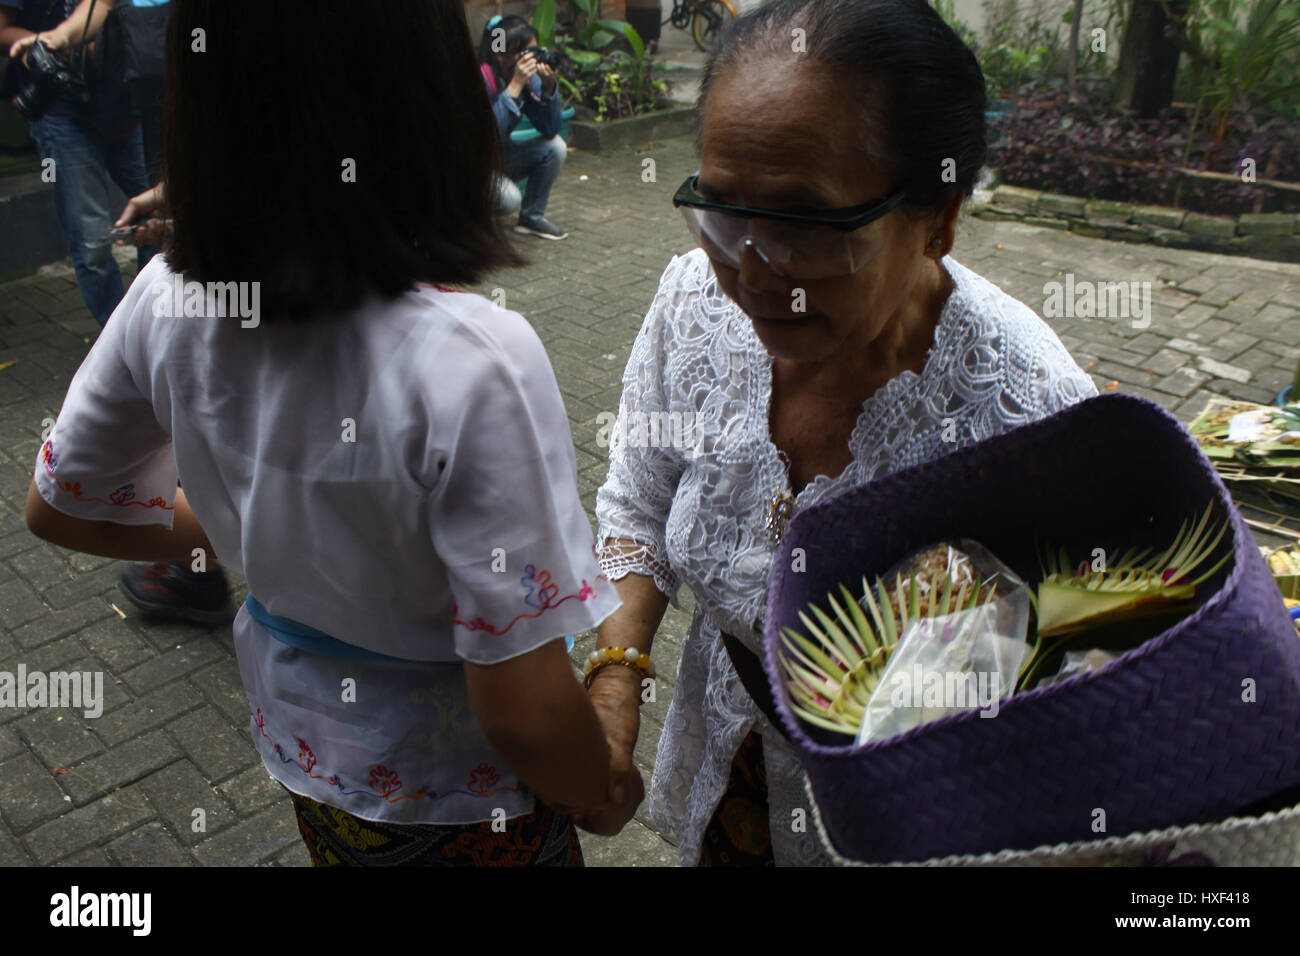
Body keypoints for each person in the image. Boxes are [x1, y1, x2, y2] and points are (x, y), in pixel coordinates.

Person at [25, 0, 643, 865]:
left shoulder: (164, 298)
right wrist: (604, 787)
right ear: (428, 102)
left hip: (310, 765)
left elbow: (64, 504)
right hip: (467, 801)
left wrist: (253, 531)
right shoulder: (477, 360)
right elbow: (527, 713)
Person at [587, 0, 1099, 866]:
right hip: (728, 785)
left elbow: (1059, 695)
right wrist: (613, 687)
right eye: (722, 214)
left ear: (938, 219)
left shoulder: (1031, 418)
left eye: (806, 226)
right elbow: (638, 505)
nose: (753, 275)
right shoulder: (693, 303)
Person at [2, 0, 156, 326]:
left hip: (124, 107)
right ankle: (120, 336)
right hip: (62, 114)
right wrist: (50, 45)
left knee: (159, 219)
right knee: (92, 244)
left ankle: (153, 324)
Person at [478, 13, 569, 240]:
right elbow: (487, 134)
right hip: (472, 165)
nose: (534, 59)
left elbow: (550, 128)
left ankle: (531, 218)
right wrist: (515, 85)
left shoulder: (527, 78)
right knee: (509, 199)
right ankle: (468, 219)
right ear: (502, 53)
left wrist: (549, 89)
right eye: (529, 52)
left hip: (500, 158)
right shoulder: (482, 78)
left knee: (555, 147)